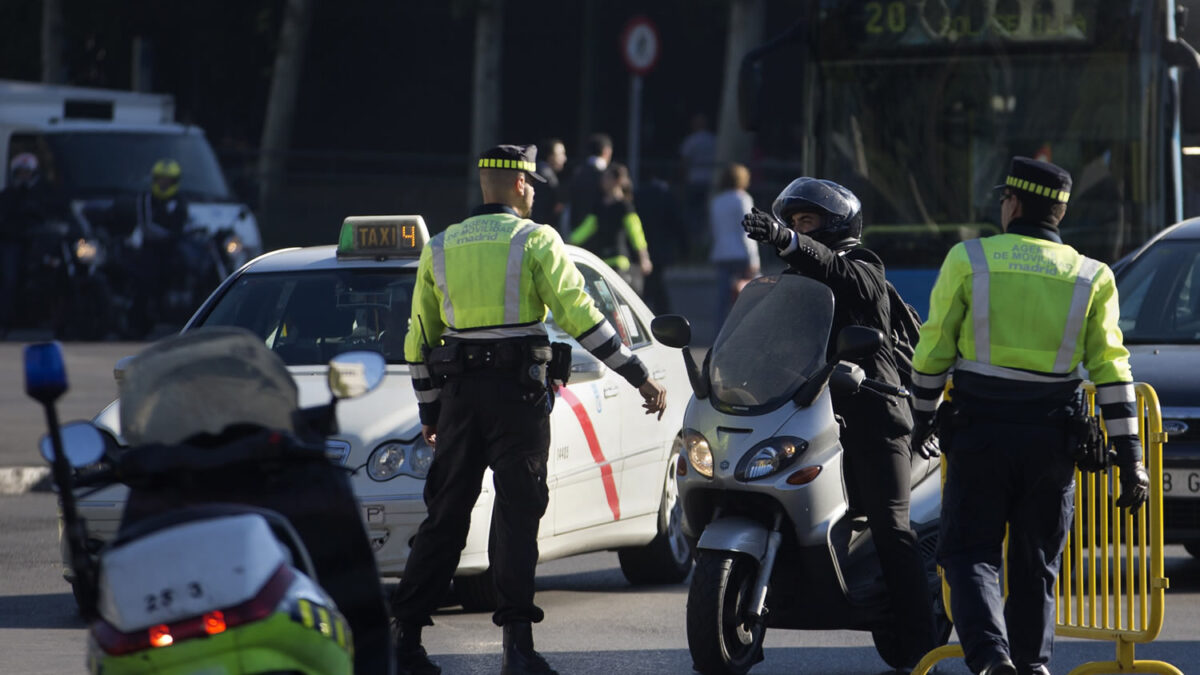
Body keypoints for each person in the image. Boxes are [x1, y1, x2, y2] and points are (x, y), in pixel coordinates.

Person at [393, 143, 668, 675]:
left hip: (459, 401)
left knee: (445, 518)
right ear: (520, 184)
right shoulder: (536, 239)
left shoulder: (441, 246)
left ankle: (405, 642)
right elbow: (582, 316)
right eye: (534, 184)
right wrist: (639, 375)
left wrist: (431, 414)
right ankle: (517, 648)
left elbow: (419, 339)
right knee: (518, 517)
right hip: (517, 399)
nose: (536, 192)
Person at [909, 157, 1148, 675]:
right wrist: (1132, 459)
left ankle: (993, 661)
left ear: (1012, 204)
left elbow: (931, 356)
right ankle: (1032, 665)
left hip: (979, 435)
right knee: (1036, 564)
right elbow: (1113, 371)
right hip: (1052, 440)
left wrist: (920, 420)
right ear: (1059, 211)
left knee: (969, 554)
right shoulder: (1093, 276)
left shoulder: (968, 259)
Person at [742, 177, 939, 671]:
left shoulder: (864, 266)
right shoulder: (790, 289)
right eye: (789, 222)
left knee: (892, 528)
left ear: (833, 225)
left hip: (875, 416)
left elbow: (839, 272)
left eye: (805, 222)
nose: (793, 230)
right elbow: (754, 341)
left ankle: (921, 645)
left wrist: (786, 240)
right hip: (808, 417)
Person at [0, 152, 68, 334]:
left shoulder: (46, 193)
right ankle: (4, 322)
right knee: (9, 277)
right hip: (15, 242)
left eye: (27, 172)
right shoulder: (8, 195)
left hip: (43, 242)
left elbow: (63, 211)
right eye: (20, 172)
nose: (24, 176)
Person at [568, 162, 653, 294]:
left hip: (619, 261)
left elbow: (636, 233)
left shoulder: (625, 206)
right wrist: (568, 242)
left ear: (617, 180)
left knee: (615, 300)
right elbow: (587, 228)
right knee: (604, 300)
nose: (602, 181)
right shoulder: (599, 205)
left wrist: (644, 257)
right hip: (601, 262)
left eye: (607, 177)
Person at [709, 162, 759, 331]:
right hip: (741, 254)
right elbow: (747, 232)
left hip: (722, 253)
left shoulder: (717, 201)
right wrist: (754, 258)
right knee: (746, 299)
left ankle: (719, 335)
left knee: (722, 300)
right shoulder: (743, 199)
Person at [634, 168, 686, 314]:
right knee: (656, 284)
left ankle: (648, 311)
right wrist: (684, 247)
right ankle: (659, 314)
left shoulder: (639, 195)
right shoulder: (667, 195)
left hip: (644, 243)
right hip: (662, 247)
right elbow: (677, 223)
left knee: (651, 284)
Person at [679, 112, 717, 261]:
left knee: (692, 217)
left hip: (694, 181)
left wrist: (681, 181)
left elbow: (684, 161)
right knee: (705, 217)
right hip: (709, 181)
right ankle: (703, 245)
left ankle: (694, 248)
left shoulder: (691, 141)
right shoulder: (713, 140)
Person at [566, 132, 612, 234]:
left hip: (575, 231)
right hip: (598, 233)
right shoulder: (606, 176)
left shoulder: (577, 173)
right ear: (606, 151)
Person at [529, 137, 567, 230]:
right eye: (561, 154)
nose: (564, 158)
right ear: (550, 156)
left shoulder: (534, 171)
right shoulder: (548, 177)